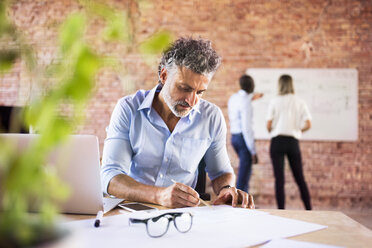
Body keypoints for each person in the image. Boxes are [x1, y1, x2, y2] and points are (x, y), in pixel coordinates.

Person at [101, 37, 254, 209]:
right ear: (164, 75)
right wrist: (158, 196)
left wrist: (226, 189)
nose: (191, 100)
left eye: (200, 92)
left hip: (183, 217)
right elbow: (110, 175)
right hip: (133, 211)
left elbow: (221, 173)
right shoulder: (128, 108)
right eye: (184, 88)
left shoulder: (211, 117)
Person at [266, 74, 312, 210]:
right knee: (300, 178)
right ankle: (309, 209)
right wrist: (298, 130)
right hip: (293, 142)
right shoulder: (300, 101)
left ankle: (281, 210)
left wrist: (273, 128)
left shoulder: (274, 101)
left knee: (279, 180)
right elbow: (308, 124)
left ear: (279, 85)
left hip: (277, 141)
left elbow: (268, 125)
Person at [227, 75, 262, 193]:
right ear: (252, 86)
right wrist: (253, 151)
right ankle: (240, 203)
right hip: (243, 139)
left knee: (242, 171)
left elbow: (244, 101)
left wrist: (252, 97)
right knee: (244, 175)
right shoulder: (246, 102)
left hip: (234, 138)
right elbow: (247, 128)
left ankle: (240, 202)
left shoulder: (233, 98)